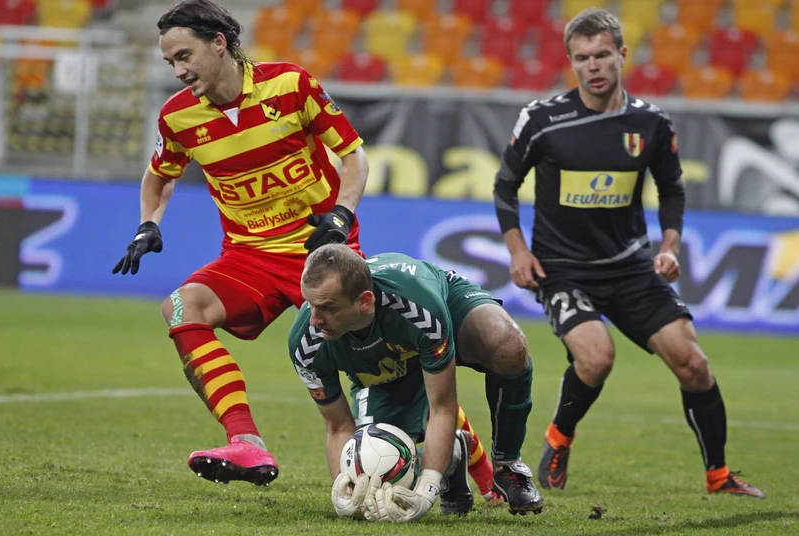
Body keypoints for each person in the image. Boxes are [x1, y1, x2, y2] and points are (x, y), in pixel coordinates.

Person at [492, 8, 764, 498]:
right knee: (597, 357)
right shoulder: (543, 119)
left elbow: (672, 189)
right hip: (563, 269)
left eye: (601, 55)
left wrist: (670, 246)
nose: (593, 66)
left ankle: (719, 477)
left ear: (622, 54)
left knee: (694, 363)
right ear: (571, 62)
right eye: (581, 58)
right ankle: (559, 437)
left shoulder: (650, 122)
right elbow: (505, 186)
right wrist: (518, 252)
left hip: (632, 268)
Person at [111, 0, 370, 487]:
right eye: (170, 62)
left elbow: (353, 155)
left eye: (184, 56)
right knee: (181, 307)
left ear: (219, 43)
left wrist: (342, 213)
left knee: (387, 359)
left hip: (320, 253)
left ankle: (482, 468)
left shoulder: (290, 84)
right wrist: (148, 224)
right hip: (249, 256)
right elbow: (159, 175)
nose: (178, 71)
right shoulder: (177, 117)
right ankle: (246, 443)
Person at [287, 244, 545, 521]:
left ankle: (507, 465)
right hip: (388, 370)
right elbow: (338, 426)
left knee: (506, 345)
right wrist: (348, 490)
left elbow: (442, 407)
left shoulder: (420, 310)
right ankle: (453, 454)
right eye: (310, 304)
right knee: (376, 471)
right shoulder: (305, 345)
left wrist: (427, 489)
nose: (314, 320)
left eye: (327, 307)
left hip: (444, 308)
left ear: (364, 301)